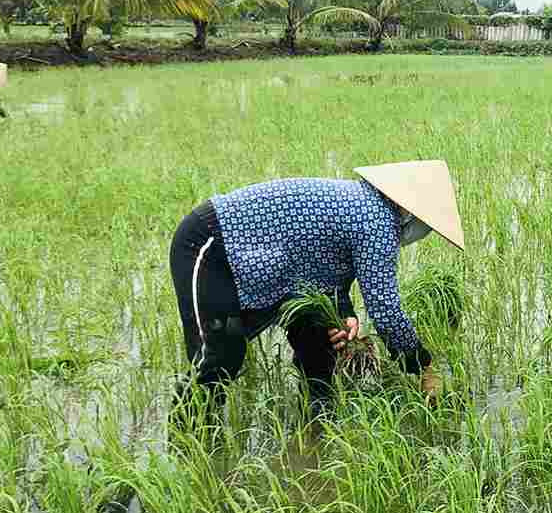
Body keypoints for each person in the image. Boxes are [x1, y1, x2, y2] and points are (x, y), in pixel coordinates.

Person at [169, 159, 464, 428]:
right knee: (220, 353)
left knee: (320, 344)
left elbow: (327, 268)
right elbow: (385, 310)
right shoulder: (377, 221)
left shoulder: (367, 206)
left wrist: (345, 314)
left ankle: (318, 431)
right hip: (210, 244)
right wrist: (423, 365)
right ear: (412, 215)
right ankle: (186, 440)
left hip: (280, 269)